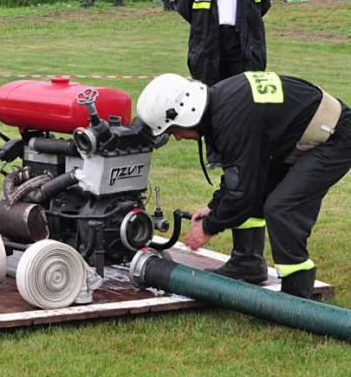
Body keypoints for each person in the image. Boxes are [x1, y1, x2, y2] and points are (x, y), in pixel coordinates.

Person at [136, 72, 350, 298]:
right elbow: (238, 174)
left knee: (282, 208)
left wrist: (209, 228)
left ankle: (297, 299)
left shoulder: (232, 121)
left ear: (187, 114)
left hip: (336, 138)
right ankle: (247, 264)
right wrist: (214, 207)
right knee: (257, 193)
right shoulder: (221, 106)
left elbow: (242, 193)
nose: (177, 138)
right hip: (303, 136)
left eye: (174, 130)